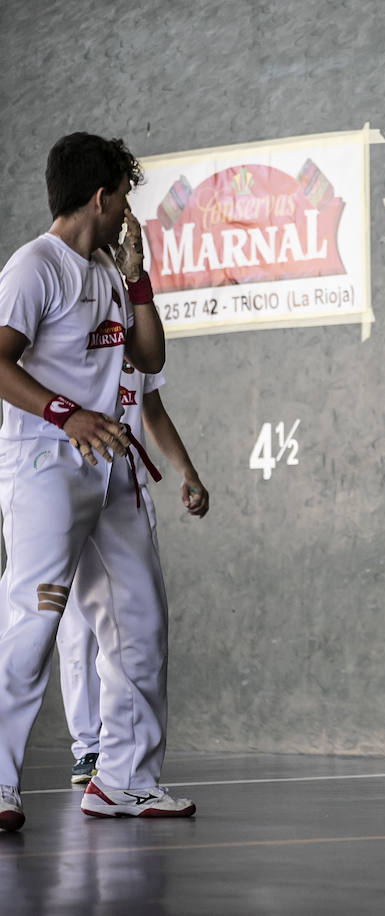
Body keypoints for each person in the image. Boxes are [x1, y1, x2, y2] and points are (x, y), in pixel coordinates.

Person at [0, 132, 194, 831]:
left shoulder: (111, 272)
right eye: (123, 202)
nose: (125, 216)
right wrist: (67, 414)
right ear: (99, 195)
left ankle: (124, 780)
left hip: (111, 473)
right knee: (34, 621)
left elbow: (147, 356)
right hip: (45, 467)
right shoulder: (34, 267)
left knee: (141, 619)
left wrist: (139, 277)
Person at [59, 362, 209, 786]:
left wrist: (187, 471)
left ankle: (120, 753)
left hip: (129, 498)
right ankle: (88, 746)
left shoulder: (138, 335)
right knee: (77, 627)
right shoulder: (70, 332)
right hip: (70, 489)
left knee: (138, 627)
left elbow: (152, 411)